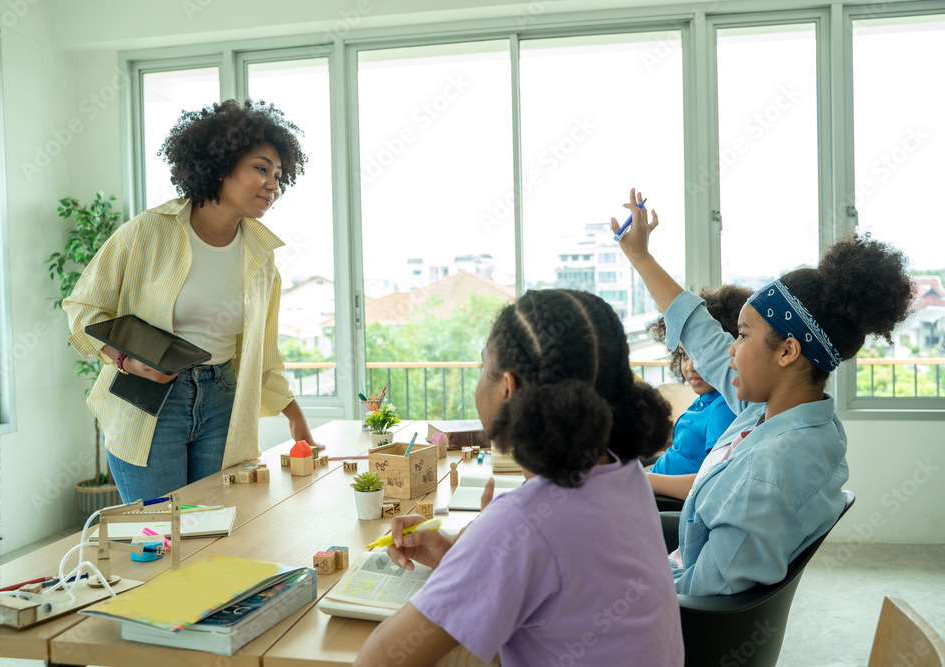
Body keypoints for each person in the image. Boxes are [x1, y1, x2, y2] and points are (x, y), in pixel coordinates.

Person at [354, 289, 683, 667]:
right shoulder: (623, 472)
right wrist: (463, 558)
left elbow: (376, 661)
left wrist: (492, 542)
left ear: (507, 389)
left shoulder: (524, 521)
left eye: (482, 368)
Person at [613, 189, 914, 596]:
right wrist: (642, 258)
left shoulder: (768, 473)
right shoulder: (776, 415)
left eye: (742, 334)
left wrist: (608, 585)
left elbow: (700, 598)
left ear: (788, 351)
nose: (730, 350)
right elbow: (701, 335)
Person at [64, 99, 317, 504]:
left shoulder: (260, 255)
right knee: (161, 538)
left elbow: (264, 354)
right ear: (219, 166)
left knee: (212, 532)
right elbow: (83, 308)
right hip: (151, 402)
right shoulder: (149, 231)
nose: (273, 184)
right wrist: (126, 360)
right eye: (261, 169)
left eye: (279, 174)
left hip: (223, 401)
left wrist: (296, 418)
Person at [645, 284, 752, 501]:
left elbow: (714, 484)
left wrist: (643, 480)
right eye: (684, 355)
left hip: (665, 504)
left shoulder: (723, 410)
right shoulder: (706, 401)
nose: (691, 366)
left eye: (700, 356)